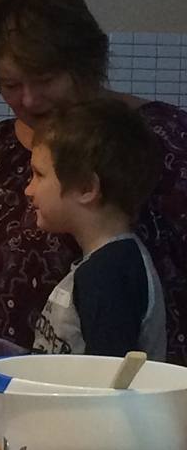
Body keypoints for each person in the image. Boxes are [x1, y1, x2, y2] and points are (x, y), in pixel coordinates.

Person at [0, 0, 187, 365]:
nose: (28, 100)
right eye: (11, 84)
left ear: (85, 64)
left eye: (45, 79)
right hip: (5, 389)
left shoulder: (167, 139)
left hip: (129, 394)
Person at [27, 99, 165, 359]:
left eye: (39, 175)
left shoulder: (109, 275)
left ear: (86, 189)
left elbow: (107, 376)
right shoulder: (107, 264)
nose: (28, 189)